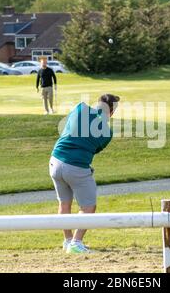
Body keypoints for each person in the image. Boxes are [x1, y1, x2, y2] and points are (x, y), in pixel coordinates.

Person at [49, 94, 121, 254]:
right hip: (76, 167)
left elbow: (68, 127)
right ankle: (76, 242)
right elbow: (94, 149)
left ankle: (67, 241)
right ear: (112, 111)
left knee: (64, 203)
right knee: (88, 206)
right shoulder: (107, 133)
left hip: (55, 160)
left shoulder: (79, 108)